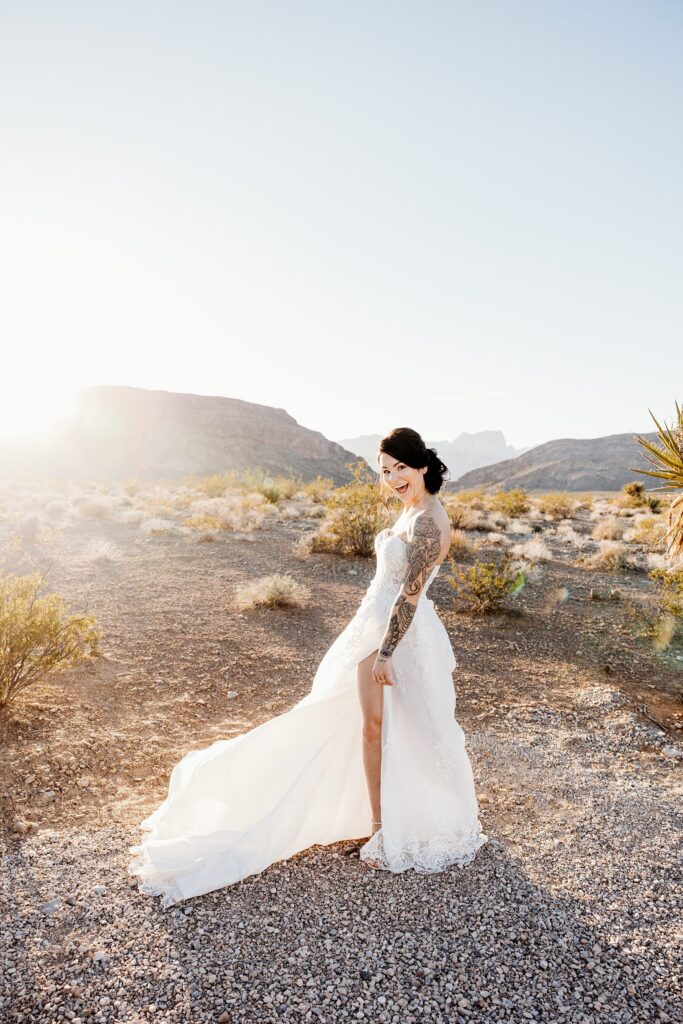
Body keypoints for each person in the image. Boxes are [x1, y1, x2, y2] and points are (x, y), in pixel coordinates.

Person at [128, 427, 487, 906]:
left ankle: (385, 831)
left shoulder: (427, 522)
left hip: (393, 636)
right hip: (376, 627)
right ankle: (381, 821)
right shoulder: (412, 510)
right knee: (368, 724)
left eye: (400, 467)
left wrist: (384, 653)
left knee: (383, 728)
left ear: (422, 465)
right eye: (384, 471)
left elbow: (411, 594)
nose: (392, 478)